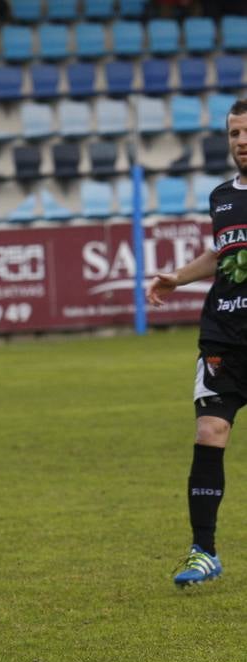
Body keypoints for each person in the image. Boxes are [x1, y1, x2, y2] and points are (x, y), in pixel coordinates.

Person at [147, 98, 247, 587]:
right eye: (234, 134)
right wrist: (178, 278)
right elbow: (224, 252)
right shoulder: (222, 196)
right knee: (210, 432)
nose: (241, 141)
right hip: (224, 335)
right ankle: (203, 551)